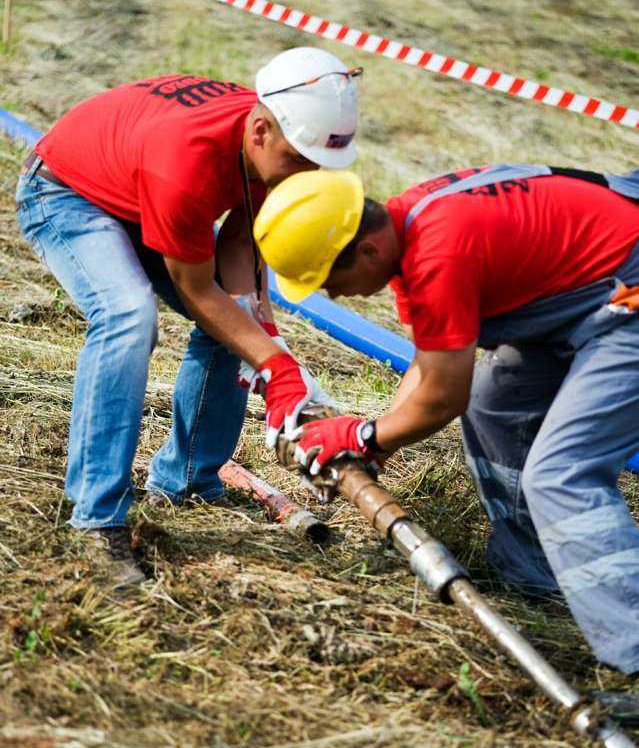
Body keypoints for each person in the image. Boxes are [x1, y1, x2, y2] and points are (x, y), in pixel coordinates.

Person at [255, 164, 639, 675]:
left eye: (330, 280)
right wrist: (375, 443)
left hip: (626, 298)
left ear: (367, 251)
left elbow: (441, 398)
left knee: (562, 472)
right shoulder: (409, 225)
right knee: (494, 400)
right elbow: (430, 364)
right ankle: (535, 570)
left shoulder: (439, 254)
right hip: (594, 289)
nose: (334, 297)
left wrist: (362, 434)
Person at [15, 48, 360, 588]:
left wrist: (266, 344)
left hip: (142, 192)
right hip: (68, 192)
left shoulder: (283, 138)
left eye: (322, 163)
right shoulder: (189, 161)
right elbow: (197, 289)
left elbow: (245, 249)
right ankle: (96, 517)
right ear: (261, 131)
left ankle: (188, 480)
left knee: (238, 334)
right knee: (128, 314)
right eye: (301, 159)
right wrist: (275, 366)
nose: (309, 174)